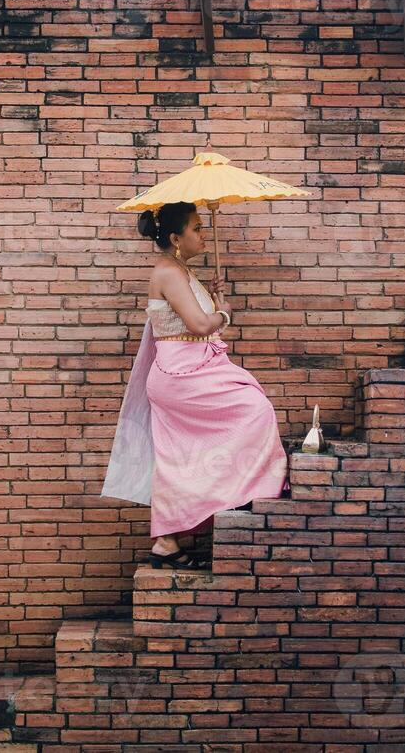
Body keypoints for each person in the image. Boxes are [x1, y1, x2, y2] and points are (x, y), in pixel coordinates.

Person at [101, 201, 289, 570]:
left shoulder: (180, 270)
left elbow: (200, 320)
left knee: (182, 459)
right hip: (182, 374)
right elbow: (202, 327)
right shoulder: (169, 272)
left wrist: (213, 297)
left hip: (192, 369)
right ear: (175, 237)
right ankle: (245, 492)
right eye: (197, 228)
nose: (203, 234)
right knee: (253, 409)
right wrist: (224, 312)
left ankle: (167, 542)